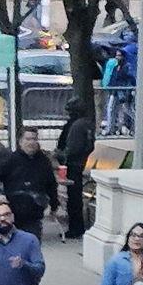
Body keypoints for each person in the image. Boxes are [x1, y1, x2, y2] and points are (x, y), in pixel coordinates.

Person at [0, 126, 58, 238]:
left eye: (34, 139)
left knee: (31, 245)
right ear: (20, 142)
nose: (31, 142)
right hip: (13, 212)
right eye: (28, 139)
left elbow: (51, 184)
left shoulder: (43, 162)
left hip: (34, 213)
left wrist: (54, 205)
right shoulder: (11, 160)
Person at [58, 99, 95, 242]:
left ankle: (75, 227)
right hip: (79, 163)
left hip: (73, 164)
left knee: (74, 197)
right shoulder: (85, 123)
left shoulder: (77, 125)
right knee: (74, 196)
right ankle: (75, 226)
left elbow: (72, 148)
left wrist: (60, 155)